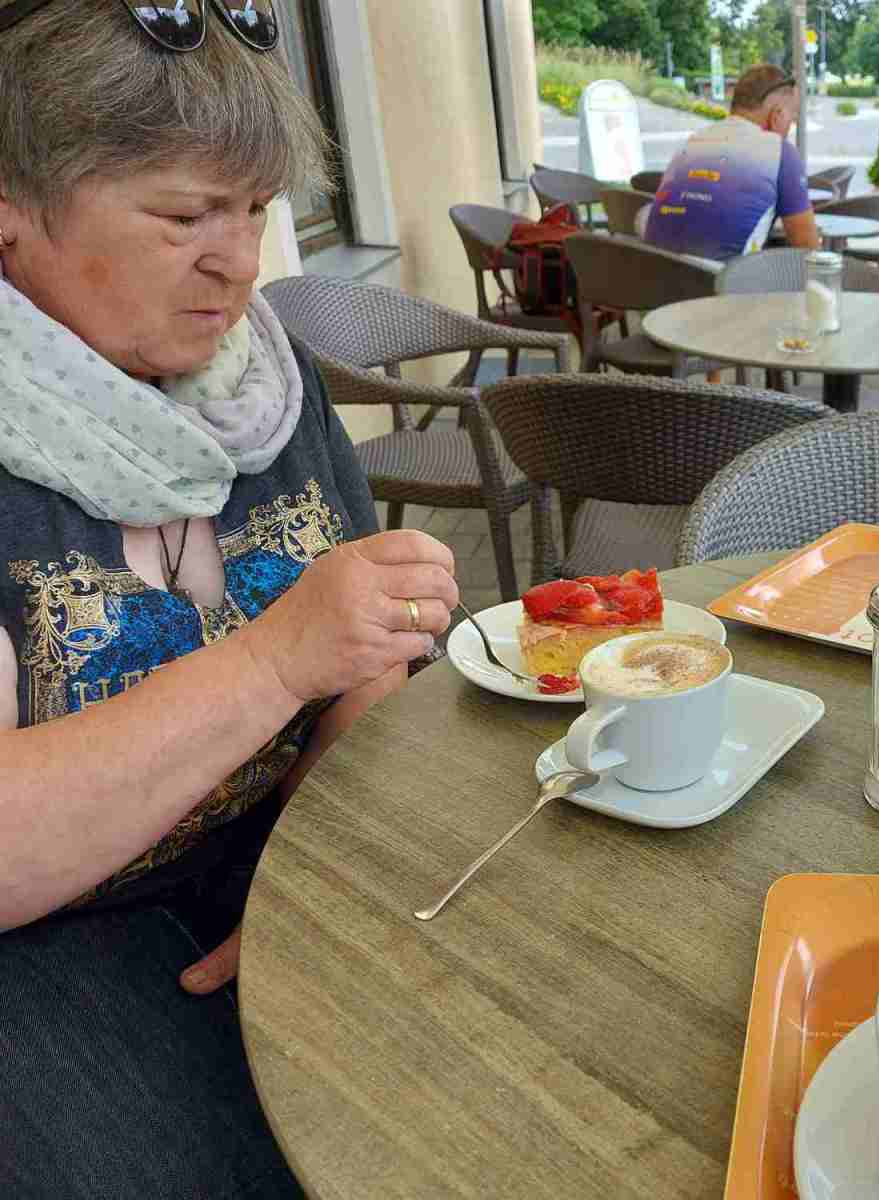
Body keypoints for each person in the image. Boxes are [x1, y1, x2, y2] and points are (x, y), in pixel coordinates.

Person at [0, 2, 458, 1196]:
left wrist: (315, 876)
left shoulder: (262, 372)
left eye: (254, 208)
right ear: (13, 211)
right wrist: (271, 660)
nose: (240, 261)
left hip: (288, 848)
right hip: (50, 939)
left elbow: (366, 661)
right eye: (184, 216)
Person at [644, 64, 821, 261]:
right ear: (776, 115)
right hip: (720, 279)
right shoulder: (780, 152)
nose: (790, 126)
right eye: (792, 117)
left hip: (652, 273)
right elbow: (809, 251)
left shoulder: (691, 143)